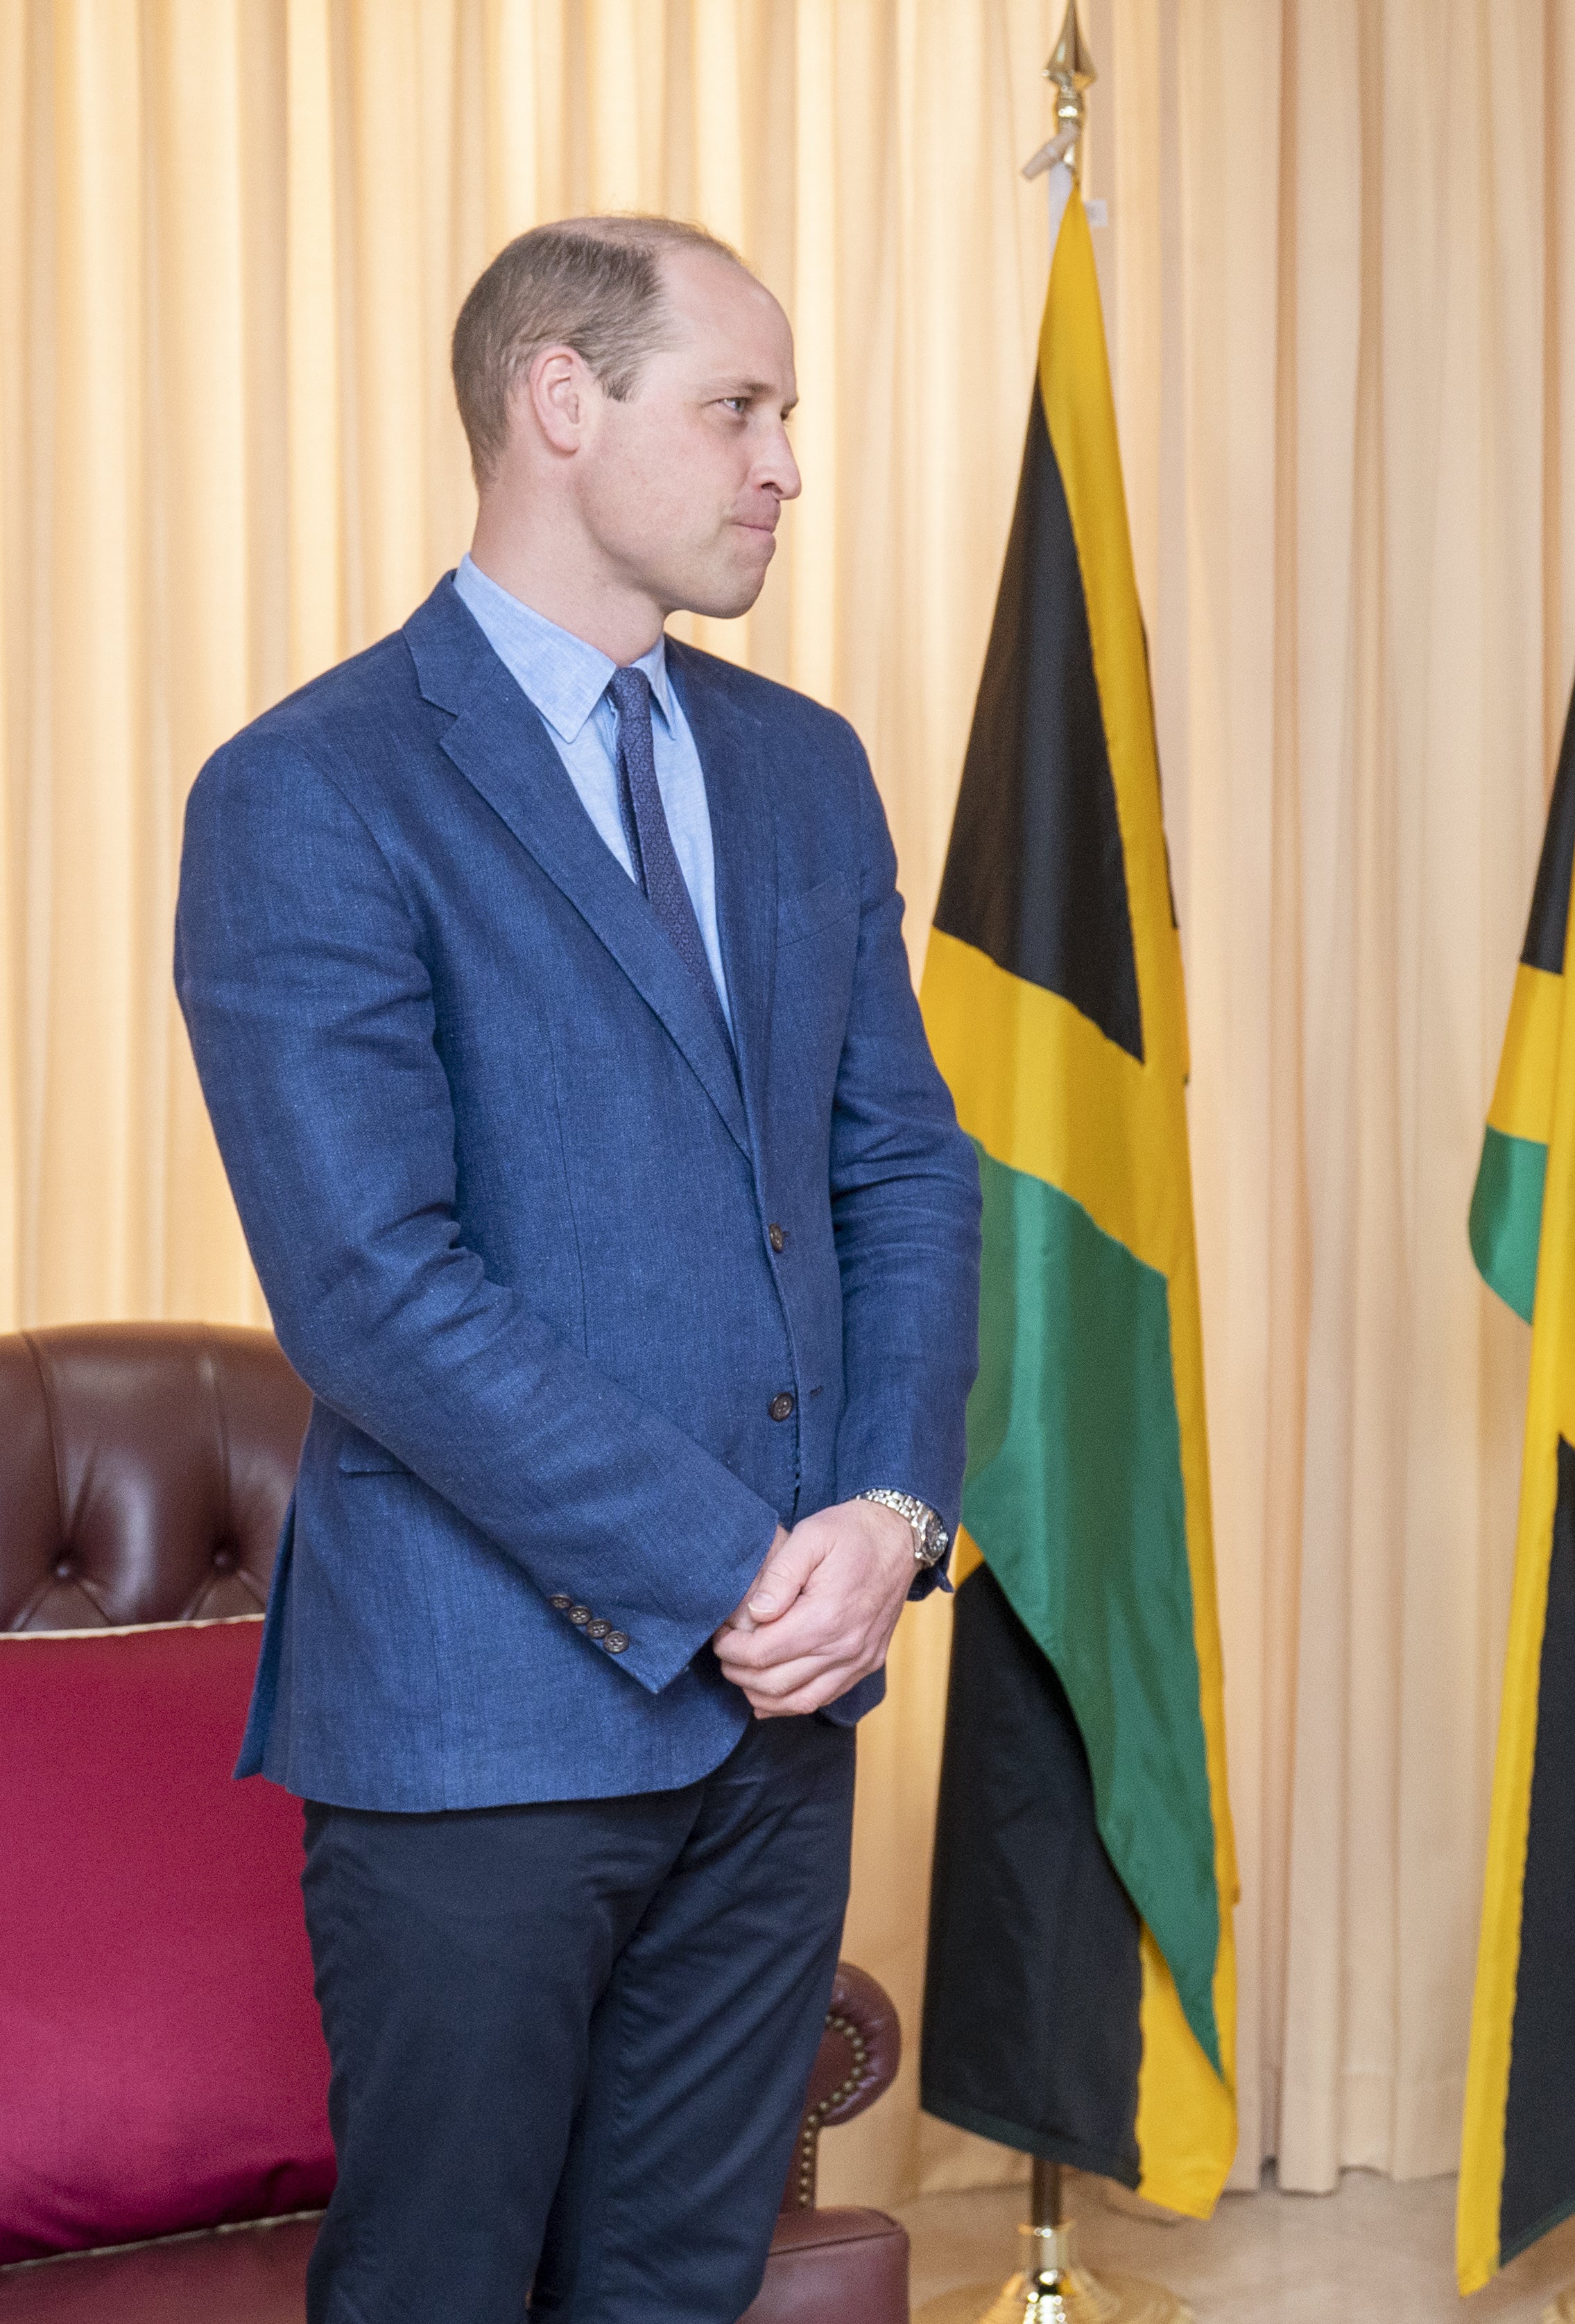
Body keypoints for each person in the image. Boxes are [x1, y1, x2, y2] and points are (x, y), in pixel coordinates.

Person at [173, 216, 979, 2322]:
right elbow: (370, 1288)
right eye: (738, 408)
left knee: (674, 2290)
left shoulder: (805, 771)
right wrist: (736, 1566)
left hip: (787, 1722)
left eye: (783, 414)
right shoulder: (309, 792)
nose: (785, 463)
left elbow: (904, 1175)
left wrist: (889, 1520)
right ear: (558, 399)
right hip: (476, 1727)